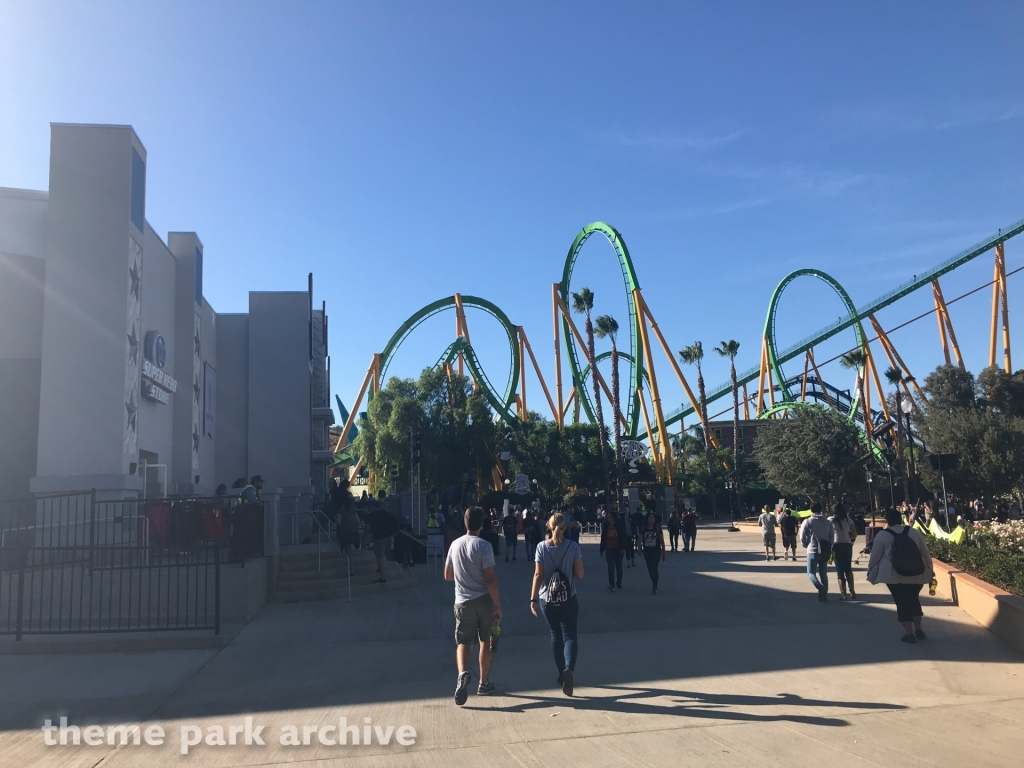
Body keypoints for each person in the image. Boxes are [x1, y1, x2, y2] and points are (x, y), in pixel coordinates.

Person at [444, 506, 502, 704]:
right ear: (482, 524)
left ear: (465, 523)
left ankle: (462, 674)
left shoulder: (455, 545)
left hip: (462, 601)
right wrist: (498, 605)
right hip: (484, 600)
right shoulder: (484, 546)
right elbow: (490, 579)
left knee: (463, 642)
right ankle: (484, 683)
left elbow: (448, 575)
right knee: (485, 641)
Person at [529, 513, 584, 697]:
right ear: (566, 527)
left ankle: (561, 674)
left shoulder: (541, 547)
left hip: (547, 599)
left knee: (555, 635)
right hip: (569, 598)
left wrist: (533, 599)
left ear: (549, 527)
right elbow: (580, 574)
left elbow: (538, 575)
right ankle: (569, 669)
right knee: (570, 635)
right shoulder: (573, 546)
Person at [867, 507, 934, 643]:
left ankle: (909, 633)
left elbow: (875, 556)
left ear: (888, 521)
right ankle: (919, 629)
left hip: (894, 575)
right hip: (916, 573)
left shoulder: (883, 535)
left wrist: (871, 569)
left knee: (901, 602)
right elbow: (925, 553)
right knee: (914, 599)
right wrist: (930, 570)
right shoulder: (914, 532)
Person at [799, 502, 835, 601]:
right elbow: (832, 537)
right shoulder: (828, 522)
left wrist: (805, 544)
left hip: (812, 550)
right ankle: (824, 595)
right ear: (821, 509)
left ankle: (820, 587)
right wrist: (829, 546)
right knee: (823, 573)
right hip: (825, 551)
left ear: (811, 510)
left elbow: (802, 536)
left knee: (811, 573)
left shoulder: (808, 521)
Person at [830, 502, 859, 600]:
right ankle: (852, 591)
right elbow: (854, 534)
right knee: (848, 568)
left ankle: (843, 594)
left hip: (836, 546)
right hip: (847, 545)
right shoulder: (848, 519)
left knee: (839, 569)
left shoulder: (830, 520)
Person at [367, 492, 396, 584]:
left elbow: (367, 527)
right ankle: (382, 569)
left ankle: (382, 574)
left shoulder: (374, 515)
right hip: (386, 535)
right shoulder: (386, 509)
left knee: (379, 555)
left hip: (379, 536)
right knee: (381, 554)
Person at [640, 512, 666, 594]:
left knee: (654, 567)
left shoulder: (657, 528)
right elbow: (640, 539)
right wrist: (639, 549)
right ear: (647, 519)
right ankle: (653, 582)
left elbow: (662, 541)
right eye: (650, 517)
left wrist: (663, 553)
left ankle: (655, 586)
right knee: (650, 569)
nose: (652, 519)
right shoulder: (644, 528)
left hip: (656, 550)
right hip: (647, 551)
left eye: (653, 518)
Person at [599, 509, 626, 591]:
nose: (608, 518)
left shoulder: (619, 525)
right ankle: (611, 584)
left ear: (613, 518)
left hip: (618, 548)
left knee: (619, 566)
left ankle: (619, 583)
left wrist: (623, 548)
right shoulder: (606, 525)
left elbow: (623, 537)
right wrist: (601, 549)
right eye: (607, 516)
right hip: (608, 548)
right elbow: (603, 537)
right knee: (610, 567)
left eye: (609, 517)